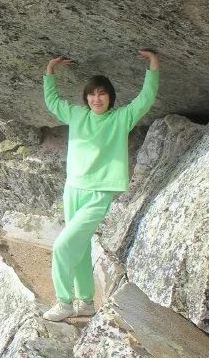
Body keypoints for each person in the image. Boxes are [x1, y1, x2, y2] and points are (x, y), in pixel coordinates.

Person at [41, 49, 160, 322]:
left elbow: (145, 99)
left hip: (99, 194)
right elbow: (52, 101)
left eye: (102, 94)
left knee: (62, 246)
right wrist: (50, 70)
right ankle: (85, 302)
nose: (97, 99)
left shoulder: (120, 118)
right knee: (80, 247)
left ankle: (64, 302)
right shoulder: (77, 115)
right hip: (73, 189)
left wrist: (153, 64)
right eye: (92, 94)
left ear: (110, 98)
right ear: (86, 97)